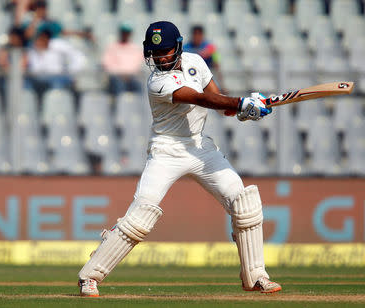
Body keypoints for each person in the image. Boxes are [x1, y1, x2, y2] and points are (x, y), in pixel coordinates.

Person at [77, 21, 280, 297]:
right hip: (166, 151)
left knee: (244, 203)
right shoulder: (156, 81)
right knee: (140, 218)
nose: (161, 57)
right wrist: (240, 103)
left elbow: (217, 100)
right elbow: (198, 99)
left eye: (166, 51)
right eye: (155, 52)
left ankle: (256, 276)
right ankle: (89, 277)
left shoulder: (196, 61)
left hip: (200, 147)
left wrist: (244, 110)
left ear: (179, 46)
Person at [26, 29, 86, 95]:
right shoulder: (33, 49)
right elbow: (34, 68)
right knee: (26, 85)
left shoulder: (58, 45)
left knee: (57, 88)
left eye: (41, 39)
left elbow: (78, 56)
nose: (38, 42)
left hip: (57, 77)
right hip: (38, 78)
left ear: (47, 39)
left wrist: (71, 72)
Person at [102, 23, 144, 95]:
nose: (125, 34)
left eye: (127, 32)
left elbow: (139, 63)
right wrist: (121, 74)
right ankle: (120, 105)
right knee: (119, 85)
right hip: (117, 76)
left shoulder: (135, 48)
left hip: (132, 76)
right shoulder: (112, 47)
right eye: (124, 32)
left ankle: (139, 105)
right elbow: (107, 64)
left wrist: (129, 74)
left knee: (138, 86)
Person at [183, 25, 226, 93]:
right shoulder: (185, 47)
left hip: (207, 77)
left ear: (202, 35)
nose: (197, 37)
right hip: (191, 77)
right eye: (195, 34)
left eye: (199, 34)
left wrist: (222, 85)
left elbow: (217, 64)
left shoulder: (210, 47)